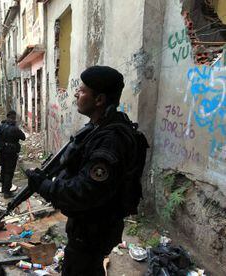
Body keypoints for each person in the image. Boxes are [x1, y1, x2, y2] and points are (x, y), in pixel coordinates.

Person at [26, 66, 149, 275]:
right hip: (89, 228)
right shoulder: (98, 128)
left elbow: (84, 191)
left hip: (94, 230)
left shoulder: (110, 140)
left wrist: (45, 186)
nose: (76, 93)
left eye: (82, 91)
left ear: (99, 100)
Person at [0, 110, 26, 199]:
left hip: (2, 152)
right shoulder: (14, 128)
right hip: (11, 153)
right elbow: (23, 137)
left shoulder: (0, 126)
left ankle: (3, 187)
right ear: (13, 117)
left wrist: (0, 150)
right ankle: (6, 192)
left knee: (4, 169)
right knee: (9, 172)